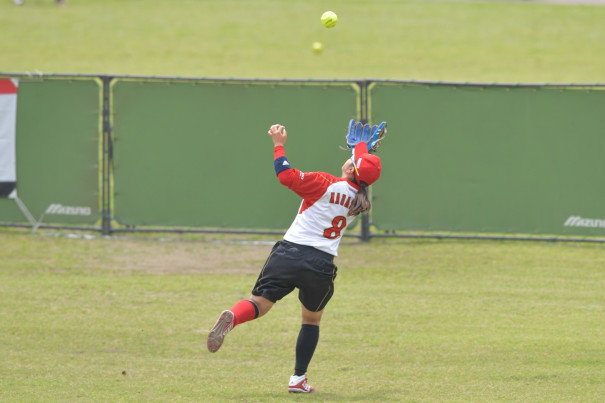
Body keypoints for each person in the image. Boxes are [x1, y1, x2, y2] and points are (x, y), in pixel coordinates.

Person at [207, 123, 382, 393]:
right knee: (311, 320)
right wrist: (360, 152)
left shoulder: (325, 183)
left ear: (350, 170)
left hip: (289, 253)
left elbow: (285, 176)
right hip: (321, 264)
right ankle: (298, 379)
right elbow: (359, 171)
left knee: (259, 304)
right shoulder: (359, 201)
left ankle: (234, 316)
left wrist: (279, 143)